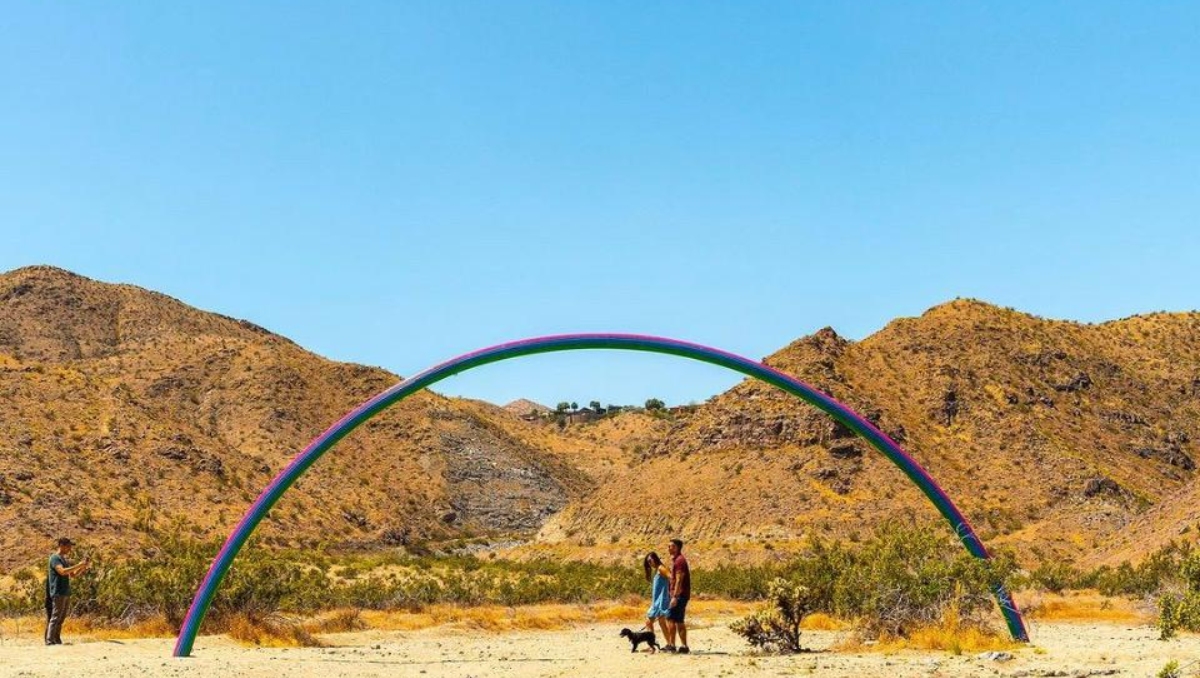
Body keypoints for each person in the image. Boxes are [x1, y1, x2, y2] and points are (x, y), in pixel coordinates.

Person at [45, 537, 90, 646]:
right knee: (55, 617)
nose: (70, 549)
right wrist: (79, 564)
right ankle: (49, 640)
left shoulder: (63, 559)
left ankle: (56, 639)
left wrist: (83, 567)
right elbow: (62, 572)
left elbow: (72, 575)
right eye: (68, 546)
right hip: (58, 591)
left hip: (65, 591)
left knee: (61, 618)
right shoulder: (55, 558)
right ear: (61, 545)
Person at [664, 538, 691, 654]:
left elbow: (679, 580)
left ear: (677, 548)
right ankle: (684, 646)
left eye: (671, 546)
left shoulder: (680, 561)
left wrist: (674, 596)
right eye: (669, 546)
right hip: (681, 595)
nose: (669, 548)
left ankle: (672, 644)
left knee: (670, 618)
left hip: (679, 595)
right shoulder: (677, 560)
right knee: (679, 620)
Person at [641, 552, 671, 645]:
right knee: (662, 623)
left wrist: (671, 593)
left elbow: (672, 578)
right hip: (658, 601)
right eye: (648, 562)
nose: (650, 563)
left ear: (655, 558)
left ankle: (652, 645)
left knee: (648, 622)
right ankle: (670, 644)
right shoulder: (658, 569)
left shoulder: (661, 568)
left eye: (650, 560)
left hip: (660, 601)